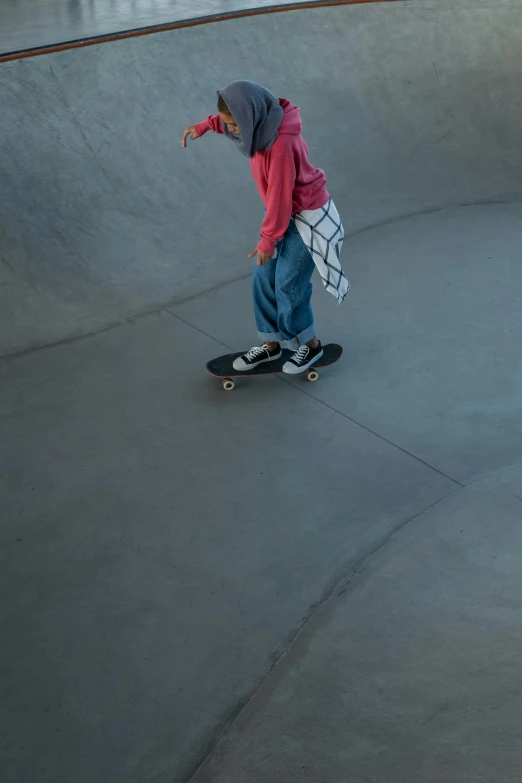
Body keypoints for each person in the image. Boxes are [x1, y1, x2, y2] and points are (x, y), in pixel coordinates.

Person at [182, 80, 348, 374]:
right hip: (285, 216)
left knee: (287, 283)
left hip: (308, 219)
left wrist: (267, 240)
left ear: (252, 118)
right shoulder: (260, 126)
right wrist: (205, 126)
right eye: (229, 124)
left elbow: (280, 199)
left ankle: (308, 346)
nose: (233, 130)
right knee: (262, 275)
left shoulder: (281, 145)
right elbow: (229, 123)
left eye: (236, 124)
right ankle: (271, 345)